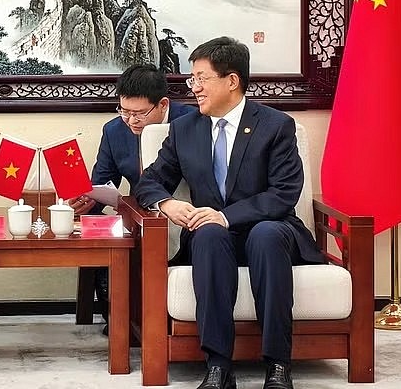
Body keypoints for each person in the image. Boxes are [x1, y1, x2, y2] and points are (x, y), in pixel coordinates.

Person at [135, 37, 323, 389]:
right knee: (206, 234)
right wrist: (168, 203)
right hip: (214, 239)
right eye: (192, 79)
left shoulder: (275, 126)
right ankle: (218, 367)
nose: (194, 88)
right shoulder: (185, 129)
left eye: (201, 78)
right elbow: (149, 182)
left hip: (270, 230)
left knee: (265, 235)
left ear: (231, 81)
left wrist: (226, 215)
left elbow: (284, 194)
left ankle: (278, 366)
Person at [68, 64, 193, 332]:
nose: (131, 120)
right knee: (99, 226)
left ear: (162, 104)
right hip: (139, 213)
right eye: (124, 111)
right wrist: (86, 201)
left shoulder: (191, 122)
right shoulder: (114, 130)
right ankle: (120, 314)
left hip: (185, 212)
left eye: (139, 113)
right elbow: (102, 181)